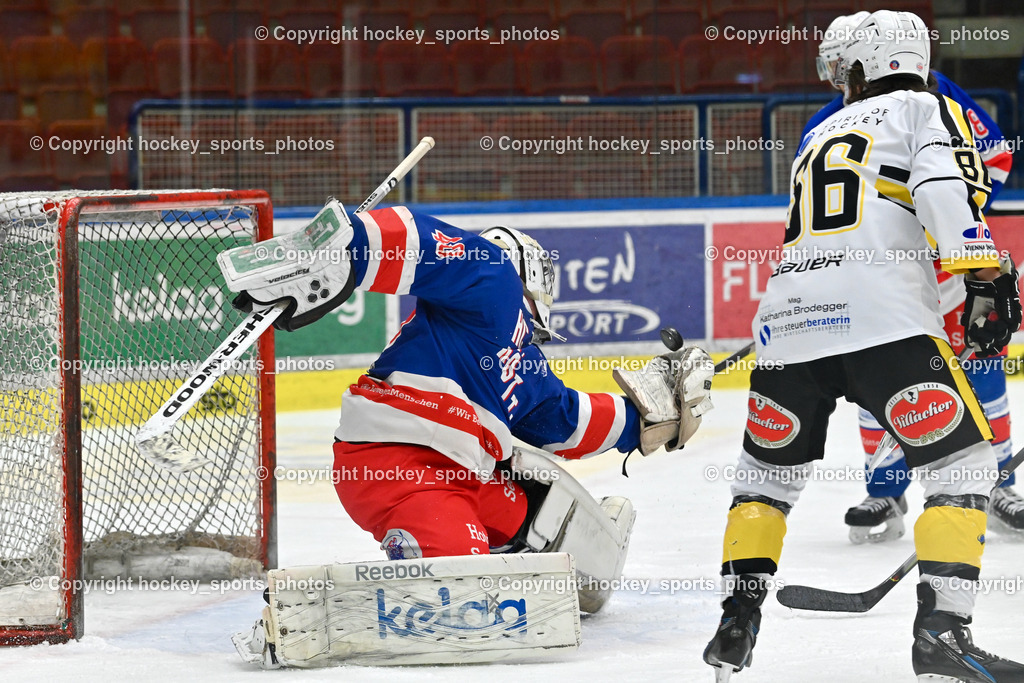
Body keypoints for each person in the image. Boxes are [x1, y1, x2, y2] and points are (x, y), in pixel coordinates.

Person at [219, 201, 715, 666]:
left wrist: (646, 419)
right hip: (398, 466)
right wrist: (348, 250)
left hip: (465, 476)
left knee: (533, 504)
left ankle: (501, 552)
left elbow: (564, 420)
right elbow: (423, 242)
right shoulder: (493, 284)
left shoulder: (527, 366)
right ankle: (313, 612)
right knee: (467, 599)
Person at [704, 10, 1024, 682]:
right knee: (965, 469)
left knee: (764, 480)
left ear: (863, 65)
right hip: (884, 320)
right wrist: (985, 273)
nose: (835, 79)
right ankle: (943, 634)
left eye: (839, 67)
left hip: (788, 325)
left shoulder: (819, 131)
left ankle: (737, 618)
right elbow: (941, 191)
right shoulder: (924, 106)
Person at [807, 11, 1019, 543]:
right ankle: (885, 487)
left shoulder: (939, 98)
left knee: (980, 364)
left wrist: (954, 227)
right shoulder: (827, 123)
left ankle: (998, 485)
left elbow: (994, 156)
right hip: (882, 276)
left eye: (842, 66)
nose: (838, 79)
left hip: (951, 267)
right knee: (875, 374)